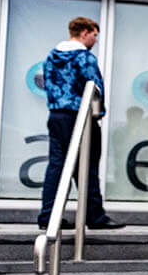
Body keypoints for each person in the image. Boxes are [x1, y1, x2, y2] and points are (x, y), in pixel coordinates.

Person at [38, 17, 124, 230]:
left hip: (57, 115)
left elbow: (48, 83)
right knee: (87, 164)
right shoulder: (84, 57)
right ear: (84, 32)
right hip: (80, 116)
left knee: (57, 165)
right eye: (94, 35)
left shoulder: (52, 56)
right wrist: (99, 113)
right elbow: (95, 87)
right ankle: (94, 215)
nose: (95, 40)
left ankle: (49, 216)